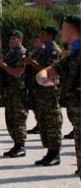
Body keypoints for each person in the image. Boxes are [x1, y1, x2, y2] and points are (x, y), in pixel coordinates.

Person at [36, 14, 81, 179]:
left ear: (70, 29)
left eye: (63, 27)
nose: (61, 31)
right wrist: (42, 78)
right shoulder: (72, 54)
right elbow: (49, 71)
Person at [25, 26, 63, 166]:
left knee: (52, 121)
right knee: (43, 121)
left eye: (43, 34)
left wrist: (32, 63)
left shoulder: (54, 51)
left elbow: (49, 71)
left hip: (50, 91)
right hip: (40, 91)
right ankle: (49, 152)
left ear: (50, 36)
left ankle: (55, 153)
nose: (40, 36)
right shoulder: (42, 50)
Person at [0, 30, 28, 158]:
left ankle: (21, 145)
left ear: (20, 40)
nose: (11, 41)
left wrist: (3, 65)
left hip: (19, 91)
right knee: (10, 118)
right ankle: (16, 143)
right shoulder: (10, 54)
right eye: (10, 39)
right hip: (10, 90)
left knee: (18, 118)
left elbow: (18, 73)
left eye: (14, 38)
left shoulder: (22, 54)